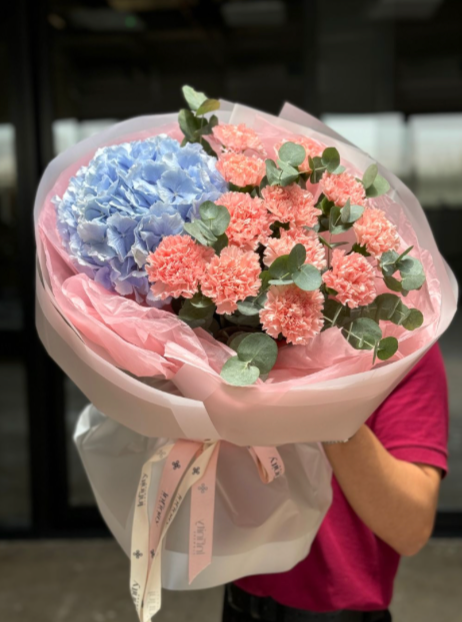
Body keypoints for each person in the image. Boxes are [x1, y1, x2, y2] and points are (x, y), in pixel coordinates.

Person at [223, 344, 448, 622]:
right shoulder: (242, 335)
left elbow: (411, 528)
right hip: (239, 599)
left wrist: (333, 410)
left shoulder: (405, 342)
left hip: (340, 613)